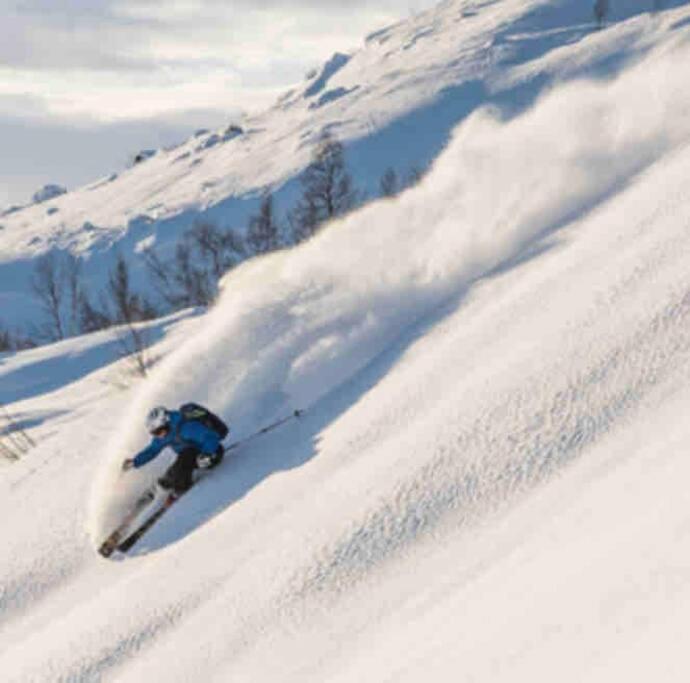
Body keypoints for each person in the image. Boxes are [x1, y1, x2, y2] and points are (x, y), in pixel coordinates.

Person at [123, 405, 225, 495]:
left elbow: (211, 437)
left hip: (212, 455)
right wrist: (135, 461)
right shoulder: (165, 434)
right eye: (154, 433)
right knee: (176, 467)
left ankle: (180, 488)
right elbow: (152, 450)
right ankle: (164, 483)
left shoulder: (186, 427)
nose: (158, 435)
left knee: (185, 456)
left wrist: (208, 453)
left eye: (159, 431)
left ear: (166, 422)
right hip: (194, 458)